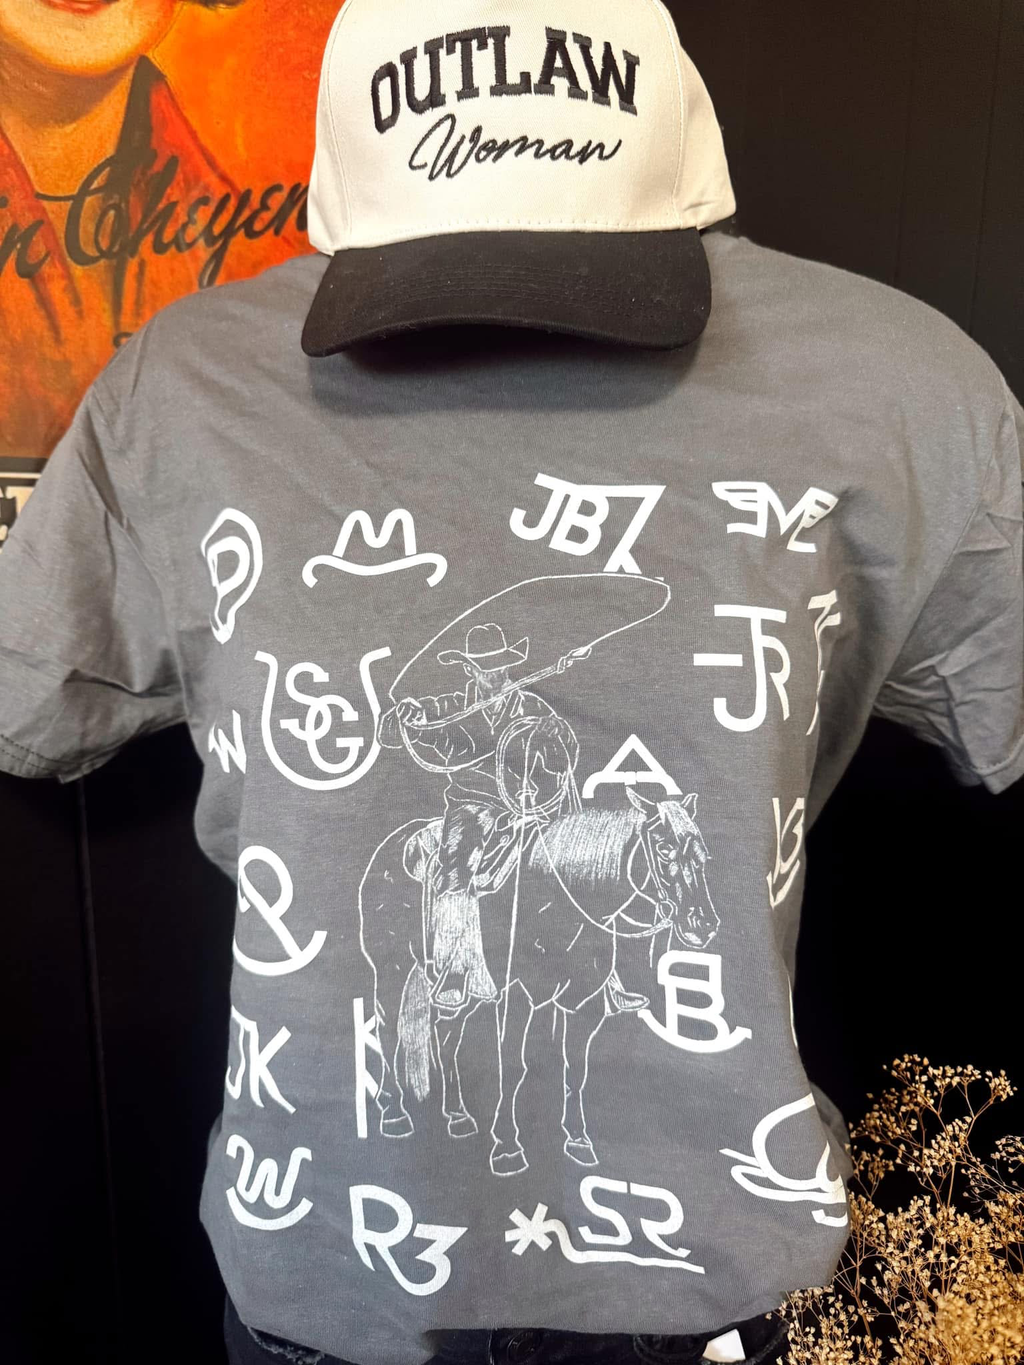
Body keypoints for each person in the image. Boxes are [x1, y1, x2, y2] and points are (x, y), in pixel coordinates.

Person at [0, 2, 1021, 1364]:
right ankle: (443, 1041)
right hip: (335, 1283)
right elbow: (35, 704)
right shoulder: (178, 395)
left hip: (716, 1284)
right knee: (463, 875)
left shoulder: (905, 387)